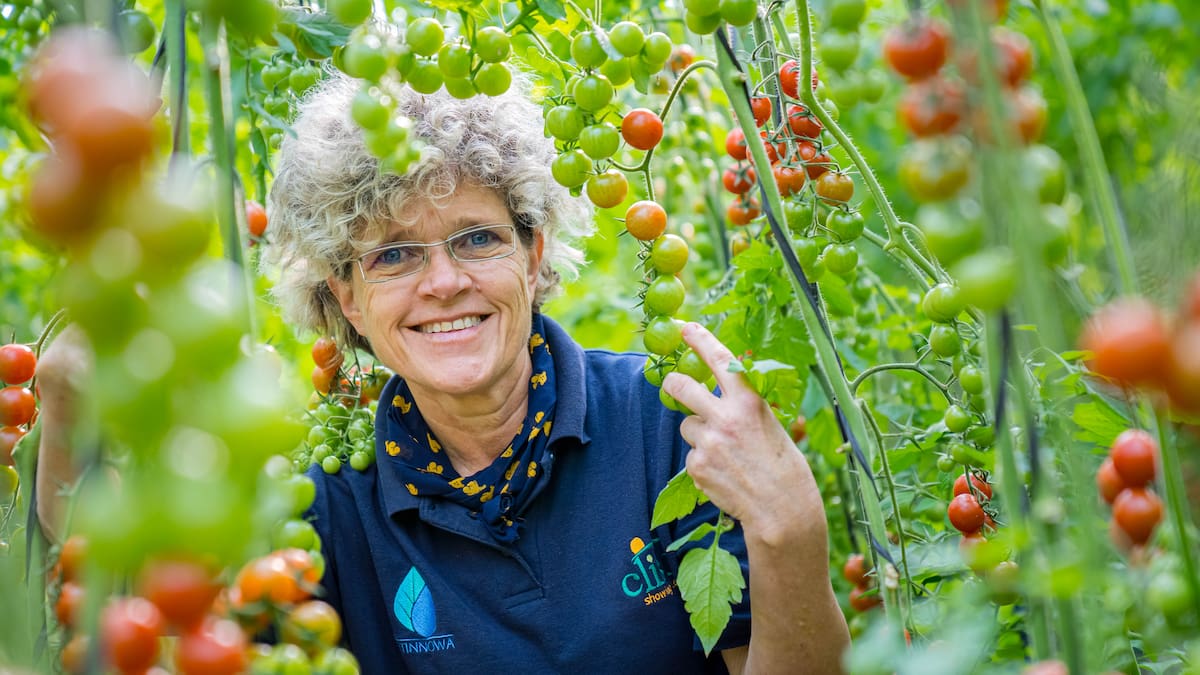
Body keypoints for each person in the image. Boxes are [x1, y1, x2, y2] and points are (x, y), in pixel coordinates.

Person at [262, 72, 849, 673]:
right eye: (393, 254)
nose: (443, 282)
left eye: (476, 239)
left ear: (533, 254)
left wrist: (792, 531)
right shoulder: (329, 512)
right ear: (348, 298)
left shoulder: (668, 425)